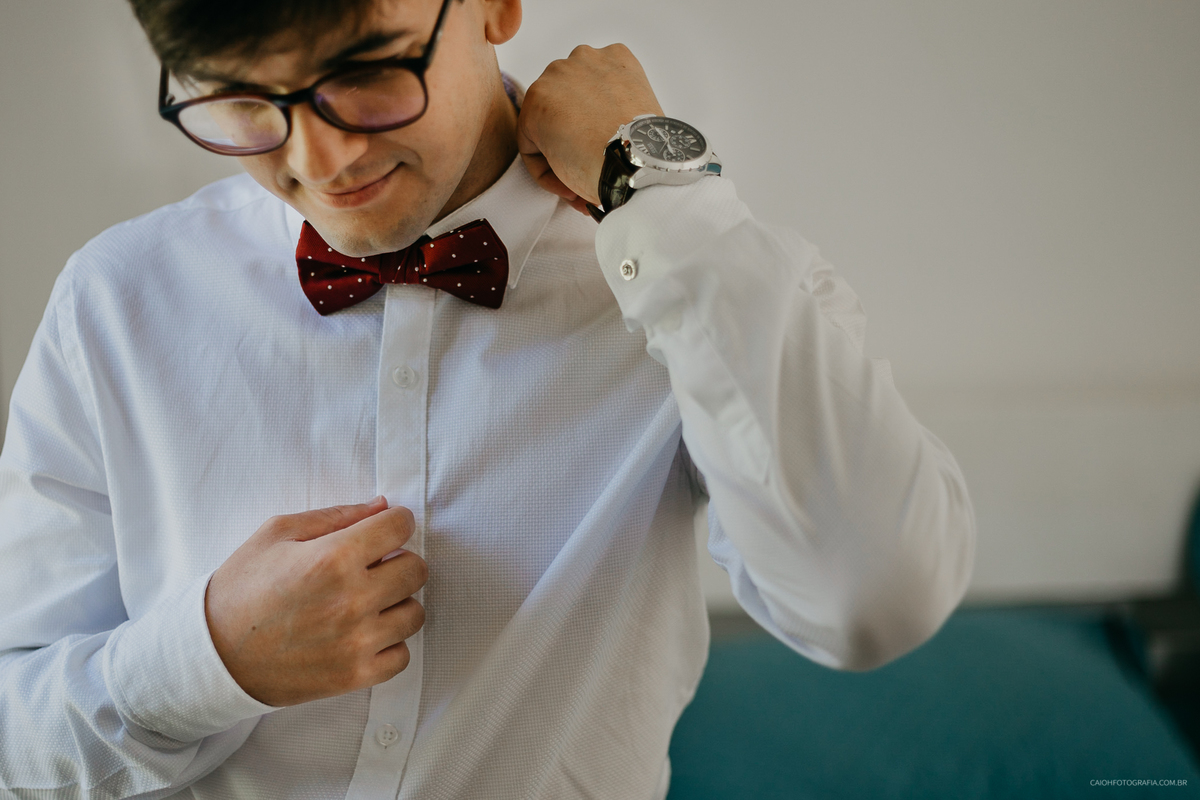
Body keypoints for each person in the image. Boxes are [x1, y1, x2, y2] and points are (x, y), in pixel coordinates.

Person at [0, 0, 976, 797]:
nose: (321, 158)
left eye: (370, 68)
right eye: (243, 102)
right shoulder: (115, 301)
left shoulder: (698, 275)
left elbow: (873, 598)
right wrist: (205, 659)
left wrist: (662, 183)